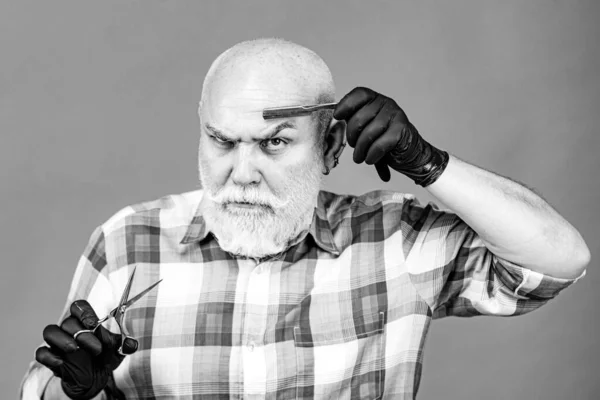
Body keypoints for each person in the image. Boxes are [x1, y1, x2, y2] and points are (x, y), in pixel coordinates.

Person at [20, 38, 590, 400]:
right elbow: (44, 389)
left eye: (274, 143)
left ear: (331, 146)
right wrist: (69, 392)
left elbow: (560, 259)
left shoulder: (397, 242)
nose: (240, 172)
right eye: (221, 141)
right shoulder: (128, 243)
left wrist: (429, 164)